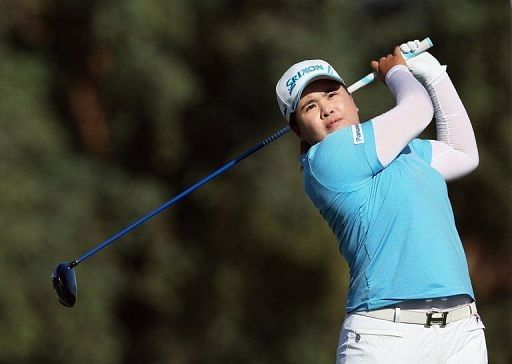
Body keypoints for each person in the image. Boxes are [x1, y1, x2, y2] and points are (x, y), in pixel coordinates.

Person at [275, 40, 487, 363]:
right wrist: (396, 72)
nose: (327, 109)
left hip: (460, 331)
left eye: (332, 95)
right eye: (310, 106)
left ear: (353, 100)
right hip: (386, 335)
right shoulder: (327, 160)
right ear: (298, 130)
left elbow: (463, 154)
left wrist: (435, 75)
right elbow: (418, 110)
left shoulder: (403, 152)